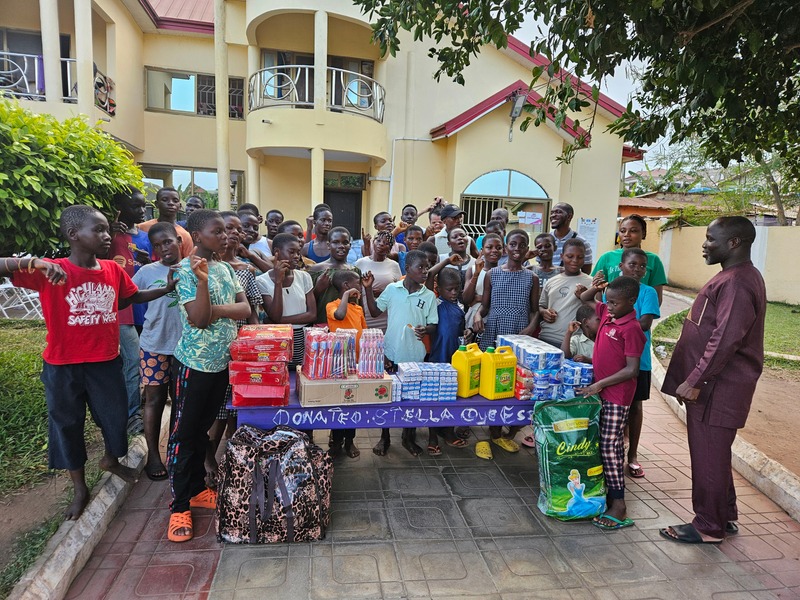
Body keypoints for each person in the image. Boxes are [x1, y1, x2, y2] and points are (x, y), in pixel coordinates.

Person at [1, 205, 176, 520]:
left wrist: (164, 289)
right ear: (73, 235)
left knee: (115, 418)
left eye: (107, 229)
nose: (107, 236)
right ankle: (79, 487)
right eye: (98, 229)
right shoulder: (50, 270)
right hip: (63, 367)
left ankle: (110, 459)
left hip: (105, 363)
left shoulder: (112, 269)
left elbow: (131, 297)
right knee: (68, 425)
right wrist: (32, 262)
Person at [660, 217, 766, 545]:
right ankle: (725, 515)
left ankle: (708, 525)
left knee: (707, 453)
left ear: (733, 243)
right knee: (715, 454)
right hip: (715, 387)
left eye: (710, 238)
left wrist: (696, 380)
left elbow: (725, 339)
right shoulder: (734, 277)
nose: (704, 244)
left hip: (717, 388)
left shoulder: (736, 281)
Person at [168, 209, 251, 543]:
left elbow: (243, 309)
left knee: (202, 431)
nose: (225, 236)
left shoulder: (227, 269)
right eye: (218, 231)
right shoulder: (186, 272)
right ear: (198, 236)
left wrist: (216, 309)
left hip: (222, 365)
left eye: (226, 231)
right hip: (194, 367)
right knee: (183, 436)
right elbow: (199, 320)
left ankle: (199, 490)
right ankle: (178, 507)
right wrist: (202, 283)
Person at [577, 276, 646, 531]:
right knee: (605, 444)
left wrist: (601, 383)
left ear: (631, 301)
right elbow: (584, 298)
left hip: (617, 396)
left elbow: (632, 370)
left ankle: (619, 504)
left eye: (615, 303)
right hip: (602, 391)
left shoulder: (632, 329)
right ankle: (607, 492)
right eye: (608, 301)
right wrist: (598, 288)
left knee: (610, 445)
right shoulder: (608, 312)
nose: (610, 306)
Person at [204, 212, 263, 486]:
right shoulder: (201, 267)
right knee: (216, 408)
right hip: (212, 349)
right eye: (228, 228)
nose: (233, 234)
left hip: (241, 347)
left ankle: (236, 454)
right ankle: (208, 460)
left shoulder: (244, 270)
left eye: (238, 231)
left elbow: (251, 312)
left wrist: (255, 343)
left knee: (239, 404)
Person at [363, 250, 438, 457]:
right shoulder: (392, 289)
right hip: (392, 352)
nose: (425, 271)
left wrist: (426, 329)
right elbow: (376, 311)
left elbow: (433, 324)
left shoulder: (429, 295)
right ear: (407, 269)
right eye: (420, 267)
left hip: (416, 354)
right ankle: (384, 436)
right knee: (388, 396)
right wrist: (368, 290)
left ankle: (408, 437)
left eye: (427, 267)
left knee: (412, 398)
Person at [132, 222, 183, 481]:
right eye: (158, 245)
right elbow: (130, 295)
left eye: (168, 242)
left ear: (179, 241)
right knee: (153, 400)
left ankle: (174, 451)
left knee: (180, 402)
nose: (164, 248)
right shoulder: (146, 272)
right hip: (154, 345)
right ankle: (153, 454)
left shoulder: (193, 269)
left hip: (186, 348)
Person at [109, 187, 152, 433]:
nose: (141, 211)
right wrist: (110, 233)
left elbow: (158, 265)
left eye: (142, 206)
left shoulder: (144, 236)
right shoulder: (109, 235)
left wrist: (149, 261)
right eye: (135, 206)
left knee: (137, 362)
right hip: (121, 310)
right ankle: (132, 416)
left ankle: (134, 407)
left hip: (143, 307)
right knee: (132, 360)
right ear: (120, 207)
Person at [425, 268, 469, 455]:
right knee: (435, 399)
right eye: (449, 289)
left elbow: (460, 331)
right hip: (436, 359)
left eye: (457, 289)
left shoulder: (460, 307)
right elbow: (429, 276)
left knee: (453, 398)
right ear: (439, 288)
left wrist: (467, 333)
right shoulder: (434, 304)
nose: (453, 293)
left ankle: (449, 432)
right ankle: (432, 436)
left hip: (454, 359)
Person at [257, 233, 316, 369]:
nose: (296, 256)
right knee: (280, 373)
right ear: (277, 252)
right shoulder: (262, 281)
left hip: (302, 335)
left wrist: (278, 321)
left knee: (300, 375)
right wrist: (278, 282)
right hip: (279, 338)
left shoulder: (304, 277)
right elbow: (275, 314)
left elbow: (312, 314)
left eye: (298, 252)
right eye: (291, 252)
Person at [326, 270, 367, 459]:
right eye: (357, 283)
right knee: (336, 402)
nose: (360, 286)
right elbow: (340, 316)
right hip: (338, 363)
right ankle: (336, 440)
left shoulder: (357, 309)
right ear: (346, 287)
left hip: (356, 364)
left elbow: (364, 334)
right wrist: (345, 296)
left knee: (352, 403)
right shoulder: (331, 306)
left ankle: (349, 440)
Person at [592, 214, 668, 304]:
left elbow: (656, 298)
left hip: (639, 315)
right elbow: (596, 288)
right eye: (622, 231)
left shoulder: (653, 259)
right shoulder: (607, 257)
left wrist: (645, 313)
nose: (626, 235)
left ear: (643, 233)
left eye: (633, 231)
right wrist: (602, 312)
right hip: (610, 314)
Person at [537, 238, 592, 347]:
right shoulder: (551, 281)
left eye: (580, 257)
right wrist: (544, 312)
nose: (575, 260)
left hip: (574, 343)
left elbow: (598, 312)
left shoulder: (591, 282)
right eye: (570, 256)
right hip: (546, 338)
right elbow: (541, 306)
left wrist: (584, 297)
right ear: (562, 256)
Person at [309, 226, 360, 325]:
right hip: (323, 326)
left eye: (345, 242)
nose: (341, 246)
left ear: (350, 245)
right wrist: (318, 289)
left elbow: (358, 302)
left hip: (350, 325)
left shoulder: (355, 271)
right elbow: (307, 303)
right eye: (335, 242)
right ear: (328, 245)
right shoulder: (316, 270)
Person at [355, 230, 402, 332]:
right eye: (378, 240)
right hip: (365, 311)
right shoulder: (360, 263)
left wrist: (383, 292)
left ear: (390, 248)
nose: (381, 244)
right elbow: (355, 288)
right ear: (373, 242)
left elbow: (400, 290)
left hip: (386, 314)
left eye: (386, 243)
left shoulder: (394, 265)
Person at [463, 233, 503, 339]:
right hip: (474, 321)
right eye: (489, 247)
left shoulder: (504, 272)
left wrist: (479, 298)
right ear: (482, 250)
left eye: (498, 248)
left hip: (495, 320)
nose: (494, 250)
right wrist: (476, 273)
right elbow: (466, 299)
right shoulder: (472, 270)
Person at [139, 187, 194, 259]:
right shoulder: (142, 228)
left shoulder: (185, 235)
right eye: (165, 200)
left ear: (180, 206)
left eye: (175, 200)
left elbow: (188, 263)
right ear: (156, 204)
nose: (171, 203)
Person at [549, 202, 593, 274]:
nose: (553, 215)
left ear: (569, 217)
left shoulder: (581, 242)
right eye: (552, 213)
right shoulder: (546, 241)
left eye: (558, 212)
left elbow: (586, 273)